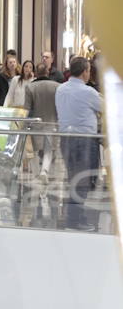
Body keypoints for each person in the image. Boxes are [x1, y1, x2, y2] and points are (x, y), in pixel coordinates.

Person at [56, 56, 103, 230]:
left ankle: (75, 217)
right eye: (89, 70)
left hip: (66, 140)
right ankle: (74, 221)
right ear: (84, 71)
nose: (89, 73)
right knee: (82, 181)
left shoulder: (61, 89)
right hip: (84, 141)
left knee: (74, 179)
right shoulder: (88, 92)